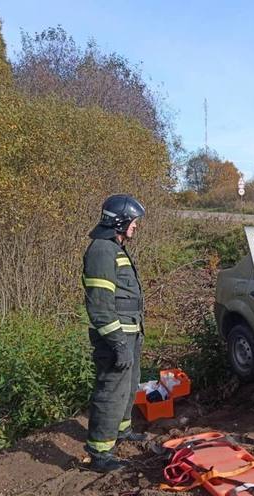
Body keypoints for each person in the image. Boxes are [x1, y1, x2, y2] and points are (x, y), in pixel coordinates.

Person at [82, 194, 146, 472]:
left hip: (129, 334)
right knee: (111, 391)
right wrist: (118, 342)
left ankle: (121, 430)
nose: (136, 227)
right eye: (134, 222)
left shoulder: (115, 248)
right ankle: (100, 453)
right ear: (120, 222)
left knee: (128, 386)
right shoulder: (101, 251)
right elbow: (99, 304)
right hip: (115, 338)